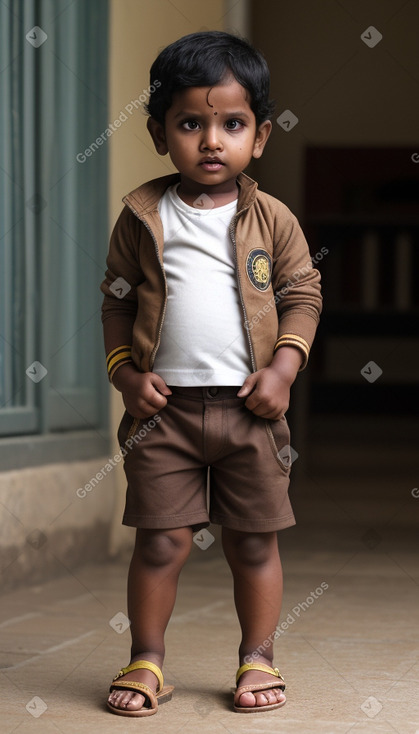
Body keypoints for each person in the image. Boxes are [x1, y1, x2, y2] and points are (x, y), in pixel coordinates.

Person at [101, 30, 322, 717]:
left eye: (231, 124)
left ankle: (257, 657)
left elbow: (302, 295)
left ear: (258, 137)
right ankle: (147, 658)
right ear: (159, 132)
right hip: (161, 415)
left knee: (253, 541)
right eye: (190, 123)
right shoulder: (142, 217)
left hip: (251, 413)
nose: (210, 141)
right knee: (161, 540)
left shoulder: (272, 218)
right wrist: (125, 376)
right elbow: (113, 302)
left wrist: (283, 369)